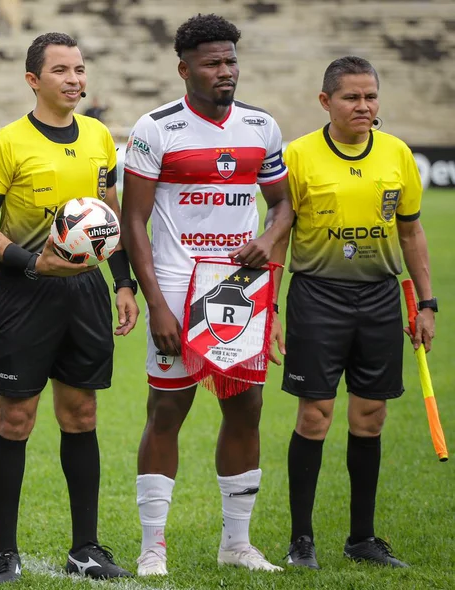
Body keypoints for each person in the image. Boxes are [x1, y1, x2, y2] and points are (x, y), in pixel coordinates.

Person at [120, 14, 294, 576]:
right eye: (213, 63)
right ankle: (153, 545)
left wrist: (267, 240)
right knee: (167, 407)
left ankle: (237, 543)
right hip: (175, 283)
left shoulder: (261, 127)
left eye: (231, 61)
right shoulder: (156, 128)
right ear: (184, 68)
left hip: (238, 288)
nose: (226, 72)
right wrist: (157, 304)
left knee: (246, 407)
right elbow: (134, 221)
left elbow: (284, 204)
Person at [0, 32, 138, 583]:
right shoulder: (6, 144)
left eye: (80, 69)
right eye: (61, 70)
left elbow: (108, 215)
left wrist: (124, 283)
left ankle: (85, 547)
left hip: (85, 292)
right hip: (25, 290)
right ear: (33, 80)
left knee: (81, 414)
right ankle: (5, 550)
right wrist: (32, 262)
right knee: (16, 418)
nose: (75, 79)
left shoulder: (100, 137)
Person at [281, 56, 434, 570]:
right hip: (316, 297)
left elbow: (411, 231)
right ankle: (301, 539)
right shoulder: (297, 156)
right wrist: (271, 309)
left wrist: (426, 303)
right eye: (351, 97)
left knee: (370, 418)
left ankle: (362, 538)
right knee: (315, 416)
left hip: (379, 300)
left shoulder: (397, 154)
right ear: (326, 102)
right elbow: (278, 236)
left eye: (371, 97)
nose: (364, 106)